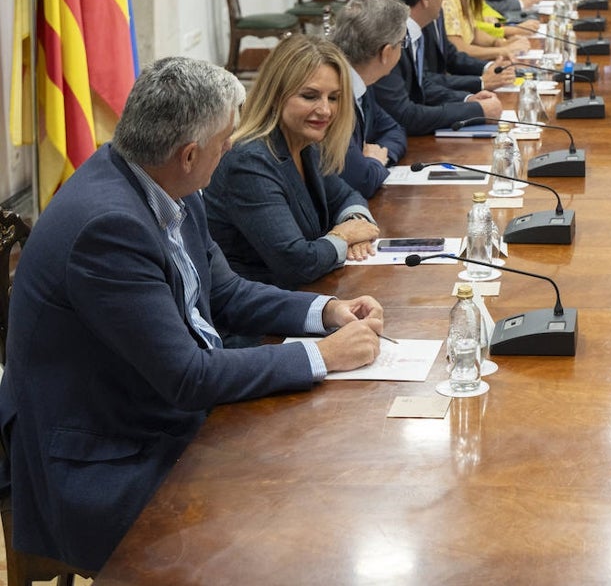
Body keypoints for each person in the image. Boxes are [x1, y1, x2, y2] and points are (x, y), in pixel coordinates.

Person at [0, 57, 384, 571]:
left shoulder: (164, 181)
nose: (230, 148)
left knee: (324, 463)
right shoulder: (107, 228)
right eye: (225, 139)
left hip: (158, 412)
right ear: (188, 153)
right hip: (105, 457)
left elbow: (225, 293)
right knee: (291, 527)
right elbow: (187, 376)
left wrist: (327, 311)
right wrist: (322, 356)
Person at [205, 35, 379, 289]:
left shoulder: (305, 144)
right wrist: (344, 236)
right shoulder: (249, 162)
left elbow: (346, 196)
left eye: (333, 97)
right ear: (276, 95)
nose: (325, 110)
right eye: (310, 96)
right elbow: (297, 263)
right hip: (258, 316)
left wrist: (356, 221)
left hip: (304, 294)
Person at [372, 0, 503, 135]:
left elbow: (422, 84)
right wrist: (478, 111)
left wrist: (468, 99)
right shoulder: (387, 37)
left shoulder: (411, 28)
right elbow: (404, 116)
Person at [328, 0, 410, 198]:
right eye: (402, 42)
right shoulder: (331, 94)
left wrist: (379, 155)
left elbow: (394, 129)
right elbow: (361, 181)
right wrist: (374, 163)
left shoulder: (362, 80)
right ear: (386, 52)